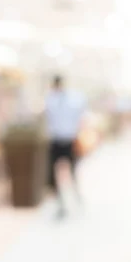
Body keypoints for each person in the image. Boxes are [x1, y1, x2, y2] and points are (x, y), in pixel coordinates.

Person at [45, 75, 86, 218]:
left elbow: (80, 116)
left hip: (68, 139)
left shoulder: (72, 100)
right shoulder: (51, 100)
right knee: (56, 171)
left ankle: (75, 194)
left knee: (72, 170)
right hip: (56, 139)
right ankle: (61, 200)